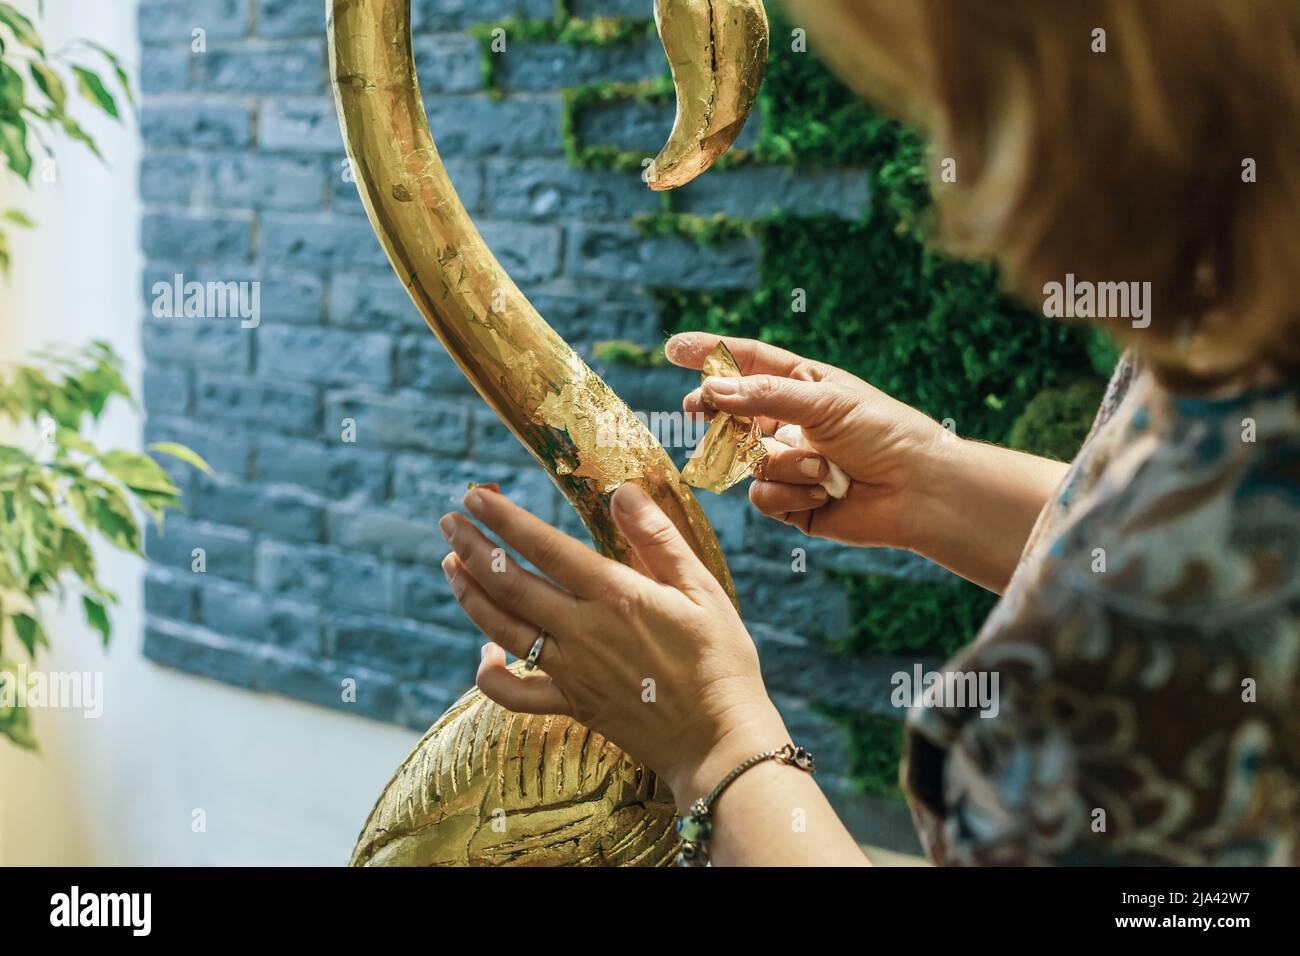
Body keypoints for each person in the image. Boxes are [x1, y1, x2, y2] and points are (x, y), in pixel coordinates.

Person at [436, 0, 1300, 866]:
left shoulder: (1185, 657)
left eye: (967, 99)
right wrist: (934, 480)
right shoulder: (1244, 334)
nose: (952, 174)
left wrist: (715, 745)